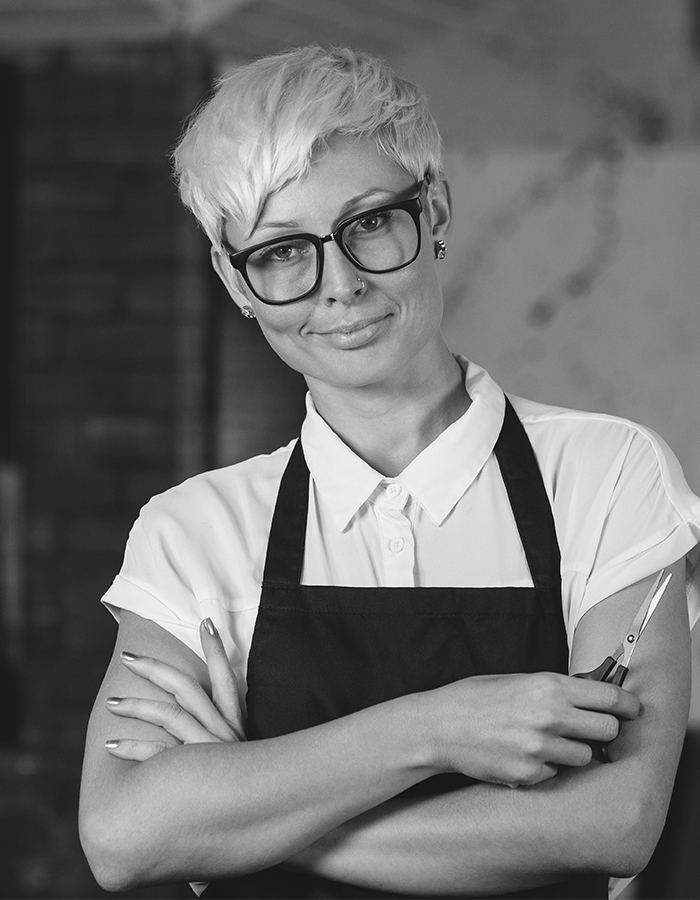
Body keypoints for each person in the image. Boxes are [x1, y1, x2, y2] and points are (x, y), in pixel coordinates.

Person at [79, 45, 700, 899]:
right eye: (281, 251)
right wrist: (436, 727)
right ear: (234, 279)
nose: (338, 285)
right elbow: (122, 836)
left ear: (434, 210)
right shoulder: (192, 531)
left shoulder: (607, 475)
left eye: (370, 224)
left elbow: (613, 821)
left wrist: (239, 817)